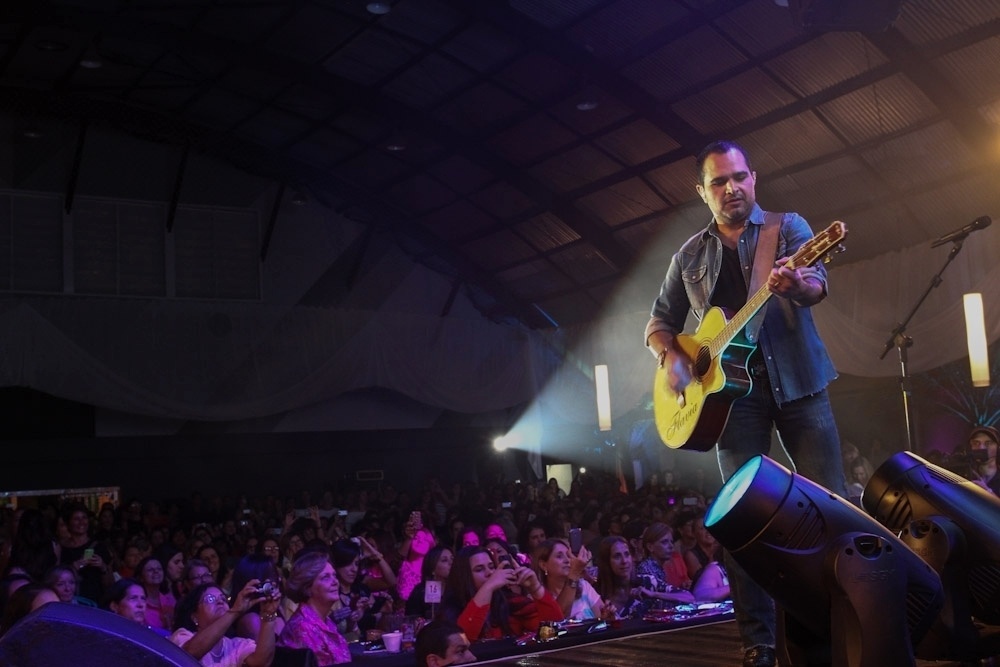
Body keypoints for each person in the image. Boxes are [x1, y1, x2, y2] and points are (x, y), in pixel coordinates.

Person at [644, 139, 847, 667]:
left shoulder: (789, 228)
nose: (731, 188)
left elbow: (816, 288)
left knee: (833, 506)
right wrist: (671, 358)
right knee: (741, 520)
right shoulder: (688, 255)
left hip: (799, 383)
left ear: (753, 178)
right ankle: (757, 641)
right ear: (702, 192)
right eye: (718, 181)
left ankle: (842, 621)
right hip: (730, 401)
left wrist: (797, 281)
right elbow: (659, 323)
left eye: (738, 177)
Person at [440, 545, 561, 641]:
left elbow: (552, 632)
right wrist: (488, 587)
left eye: (491, 567)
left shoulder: (512, 603)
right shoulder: (450, 611)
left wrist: (536, 588)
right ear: (463, 577)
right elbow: (463, 641)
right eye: (479, 569)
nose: (489, 573)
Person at [170, 580, 280, 667]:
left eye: (223, 598)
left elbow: (262, 662)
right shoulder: (182, 636)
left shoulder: (235, 645)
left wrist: (268, 615)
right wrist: (234, 611)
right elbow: (189, 654)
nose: (220, 601)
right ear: (194, 617)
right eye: (210, 599)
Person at [277, 550, 351, 665]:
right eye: (326, 577)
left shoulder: (326, 622)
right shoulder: (302, 628)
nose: (335, 582)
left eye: (334, 575)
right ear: (307, 587)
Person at [532, 539, 603, 620]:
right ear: (543, 565)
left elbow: (602, 616)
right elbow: (557, 619)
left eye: (568, 556)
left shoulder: (583, 586)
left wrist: (607, 617)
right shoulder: (539, 597)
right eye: (559, 556)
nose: (567, 560)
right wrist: (574, 573)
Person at [635, 523, 694, 607]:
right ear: (650, 547)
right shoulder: (646, 570)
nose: (671, 546)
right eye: (664, 542)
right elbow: (688, 598)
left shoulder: (657, 567)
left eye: (671, 541)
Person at [230, 553, 286, 639]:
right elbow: (267, 651)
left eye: (276, 574)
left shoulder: (277, 607)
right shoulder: (250, 620)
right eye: (272, 575)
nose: (278, 579)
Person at [594, 536, 644, 619]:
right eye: (617, 556)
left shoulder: (646, 582)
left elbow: (674, 596)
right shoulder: (596, 595)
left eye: (627, 554)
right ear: (606, 562)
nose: (624, 561)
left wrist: (654, 594)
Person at [103, 577, 171, 637]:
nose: (140, 605)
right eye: (133, 598)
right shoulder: (105, 636)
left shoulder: (160, 636)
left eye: (143, 599)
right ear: (114, 606)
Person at [406, 545, 453, 618]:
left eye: (452, 559)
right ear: (432, 568)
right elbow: (411, 619)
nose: (451, 563)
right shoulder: (420, 592)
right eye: (444, 560)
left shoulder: (456, 589)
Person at [136, 556, 177, 631]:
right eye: (150, 570)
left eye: (159, 569)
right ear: (141, 577)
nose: (156, 571)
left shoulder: (170, 600)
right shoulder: (138, 603)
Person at [967, 425, 1000, 494]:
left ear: (998, 448)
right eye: (976, 443)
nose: (981, 448)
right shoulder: (965, 475)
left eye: (988, 443)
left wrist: (988, 493)